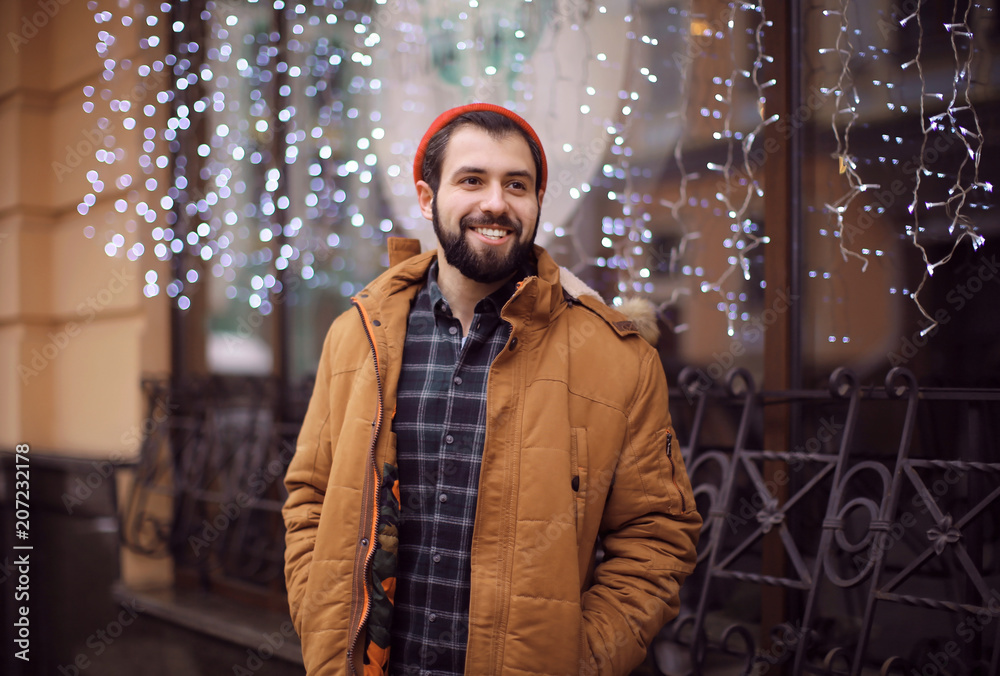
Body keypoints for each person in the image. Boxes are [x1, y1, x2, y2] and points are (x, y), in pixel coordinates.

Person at [283, 103, 701, 676]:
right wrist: (319, 616)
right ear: (428, 199)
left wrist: (579, 658)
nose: (496, 203)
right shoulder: (357, 338)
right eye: (472, 180)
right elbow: (310, 496)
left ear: (535, 203)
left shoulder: (617, 359)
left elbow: (658, 535)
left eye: (517, 185)